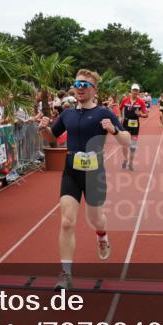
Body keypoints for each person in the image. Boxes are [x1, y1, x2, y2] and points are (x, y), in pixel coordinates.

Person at [39, 69, 129, 290]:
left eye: (85, 84)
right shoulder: (67, 114)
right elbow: (52, 136)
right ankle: (66, 274)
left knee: (95, 219)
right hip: (71, 171)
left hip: (95, 174)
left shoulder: (103, 114)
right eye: (77, 83)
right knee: (67, 221)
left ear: (93, 89)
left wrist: (114, 132)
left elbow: (127, 140)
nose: (80, 87)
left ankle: (102, 235)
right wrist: (43, 129)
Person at [118, 84, 149, 171]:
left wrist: (140, 114)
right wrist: (120, 117)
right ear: (131, 91)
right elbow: (120, 108)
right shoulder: (125, 100)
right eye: (133, 90)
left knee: (132, 146)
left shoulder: (141, 102)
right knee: (124, 144)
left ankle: (131, 162)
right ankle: (125, 159)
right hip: (126, 124)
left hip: (135, 125)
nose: (135, 92)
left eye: (136, 90)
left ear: (138, 92)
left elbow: (146, 114)